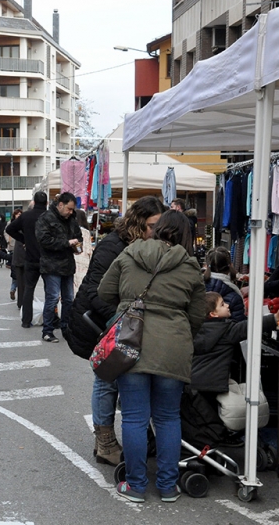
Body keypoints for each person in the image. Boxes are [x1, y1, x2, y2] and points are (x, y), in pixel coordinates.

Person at [98, 210, 207, 503]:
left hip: (131, 343)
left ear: (156, 229)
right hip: (173, 347)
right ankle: (168, 487)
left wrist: (128, 304)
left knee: (134, 418)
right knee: (168, 418)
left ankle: (135, 486)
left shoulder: (131, 252)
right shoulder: (189, 265)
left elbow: (104, 291)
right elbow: (198, 315)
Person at [66, 196, 166, 466]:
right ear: (138, 222)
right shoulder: (113, 245)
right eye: (153, 225)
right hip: (97, 321)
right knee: (107, 380)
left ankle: (140, 435)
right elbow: (93, 292)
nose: (157, 230)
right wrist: (119, 321)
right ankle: (105, 443)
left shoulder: (147, 244)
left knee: (128, 378)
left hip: (120, 319)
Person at [35, 191, 82, 343]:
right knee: (53, 298)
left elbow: (79, 236)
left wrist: (77, 245)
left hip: (68, 265)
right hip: (51, 265)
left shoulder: (72, 219)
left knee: (68, 299)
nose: (70, 212)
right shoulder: (46, 218)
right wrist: (67, 243)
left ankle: (66, 327)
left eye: (72, 209)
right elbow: (44, 240)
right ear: (60, 205)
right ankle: (47, 330)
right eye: (69, 208)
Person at [6, 192, 48, 329]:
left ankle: (26, 320)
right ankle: (50, 320)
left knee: (29, 289)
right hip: (48, 258)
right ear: (47, 203)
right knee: (50, 291)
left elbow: (10, 228)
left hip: (30, 257)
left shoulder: (26, 216)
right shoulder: (50, 217)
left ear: (34, 202)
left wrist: (24, 239)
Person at [203, 247, 246, 322]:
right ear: (230, 265)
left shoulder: (196, 288)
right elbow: (239, 328)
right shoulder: (234, 297)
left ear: (206, 266)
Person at [7, 209, 24, 305]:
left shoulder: (22, 223)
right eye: (17, 214)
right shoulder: (13, 224)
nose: (18, 215)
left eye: (20, 214)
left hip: (19, 251)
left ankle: (14, 290)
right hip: (14, 248)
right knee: (17, 275)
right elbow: (7, 231)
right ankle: (13, 290)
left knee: (17, 276)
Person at [73, 209, 92, 293]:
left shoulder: (70, 230)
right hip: (84, 260)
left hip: (73, 258)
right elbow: (88, 249)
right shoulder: (86, 232)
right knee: (81, 286)